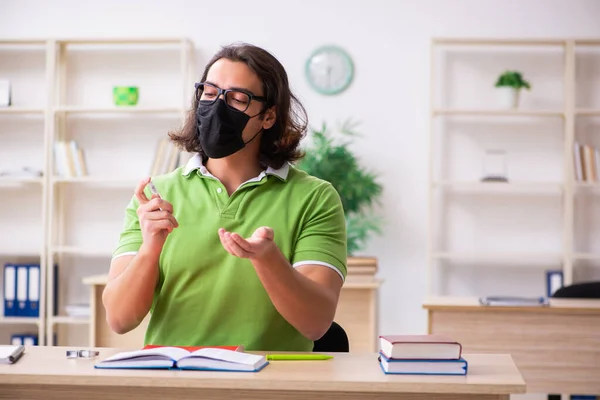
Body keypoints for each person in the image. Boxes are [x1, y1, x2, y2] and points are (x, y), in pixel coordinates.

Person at [102, 42, 347, 352]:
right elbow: (120, 320)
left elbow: (316, 323)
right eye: (209, 92)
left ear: (268, 117)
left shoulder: (315, 197)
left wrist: (268, 260)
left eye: (237, 98)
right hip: (174, 379)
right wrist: (151, 247)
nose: (218, 105)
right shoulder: (155, 196)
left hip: (272, 382)